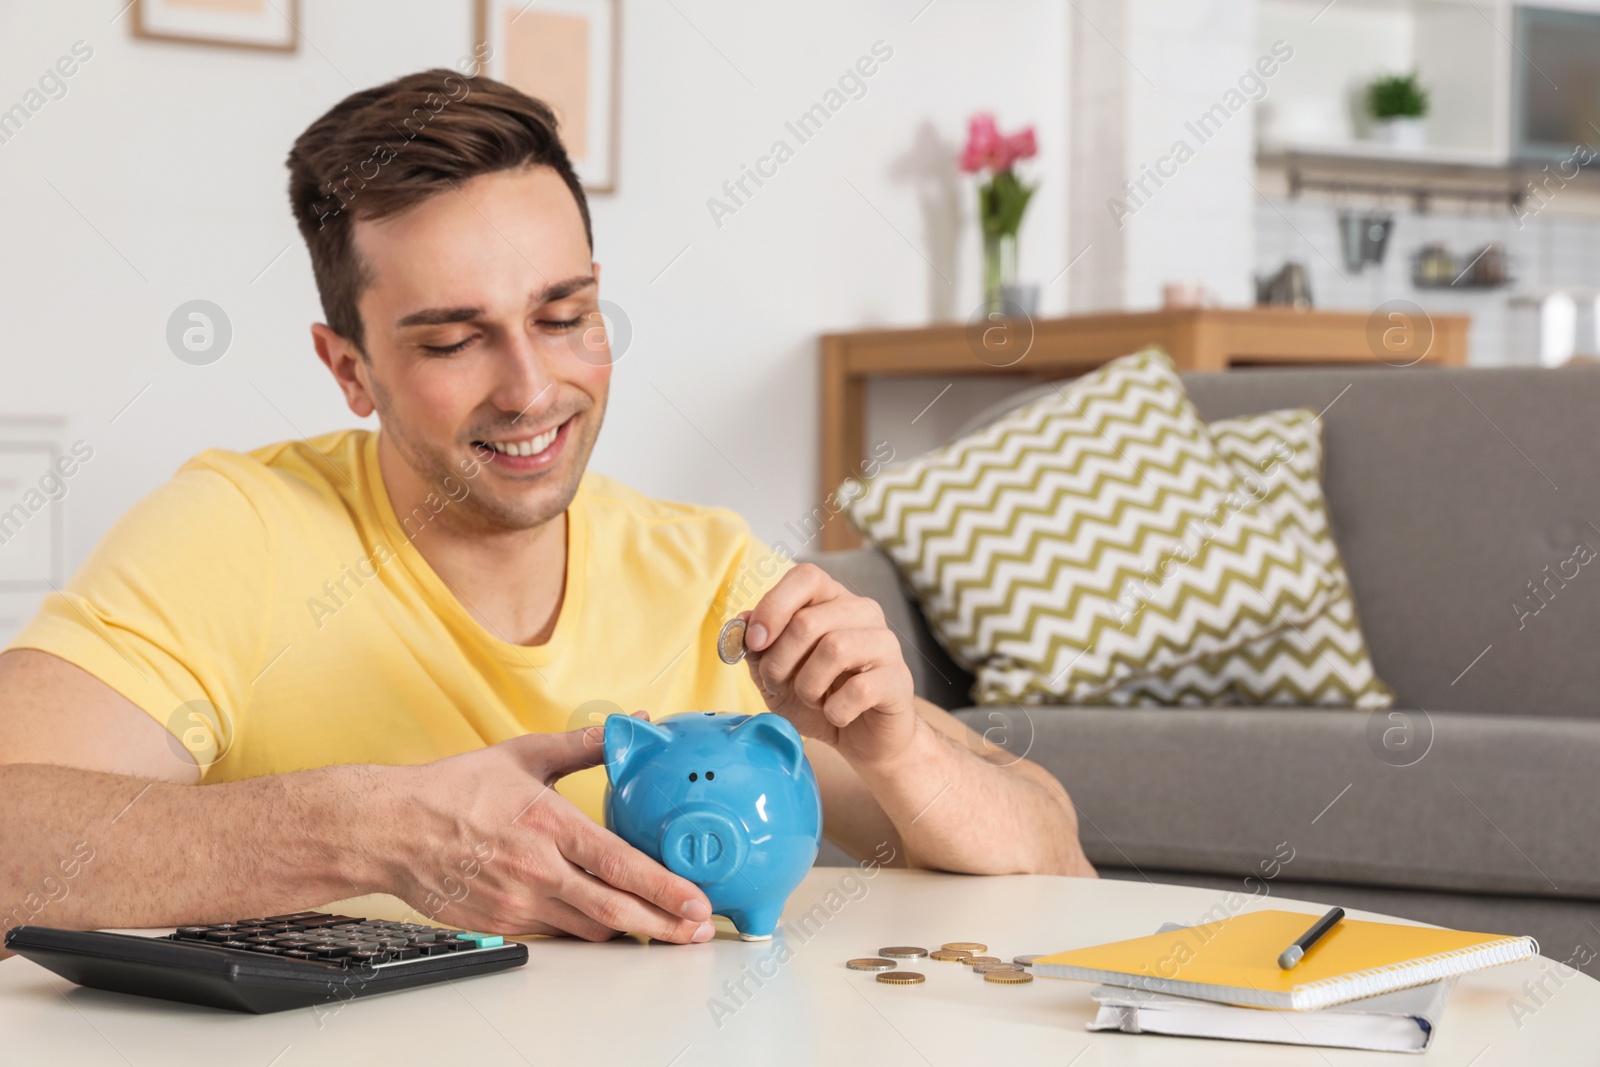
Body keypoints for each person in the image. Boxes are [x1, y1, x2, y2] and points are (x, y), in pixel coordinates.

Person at [0, 70, 1093, 952]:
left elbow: (1059, 869)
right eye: (451, 339)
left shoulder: (705, 570)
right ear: (349, 369)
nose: (529, 387)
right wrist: (369, 833)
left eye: (563, 314)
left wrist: (900, 749)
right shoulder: (234, 534)